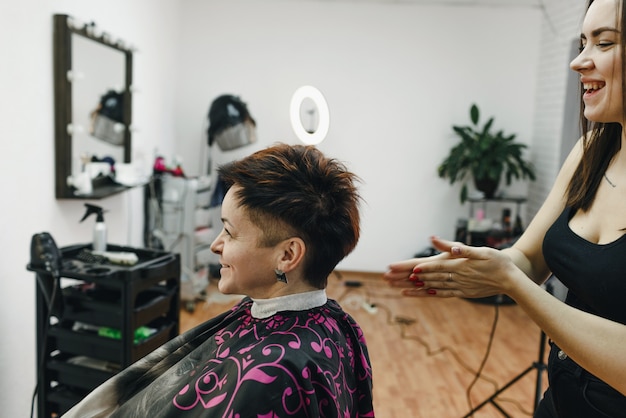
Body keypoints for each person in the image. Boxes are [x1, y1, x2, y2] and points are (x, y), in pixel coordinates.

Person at [384, 0, 626, 416]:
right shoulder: (592, 150)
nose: (578, 62)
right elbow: (528, 257)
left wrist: (513, 284)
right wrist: (478, 268)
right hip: (560, 400)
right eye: (583, 41)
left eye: (603, 43)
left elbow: (520, 278)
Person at [63, 143, 374, 417]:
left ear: (287, 255)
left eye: (229, 231)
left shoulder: (272, 377)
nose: (215, 245)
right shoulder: (342, 326)